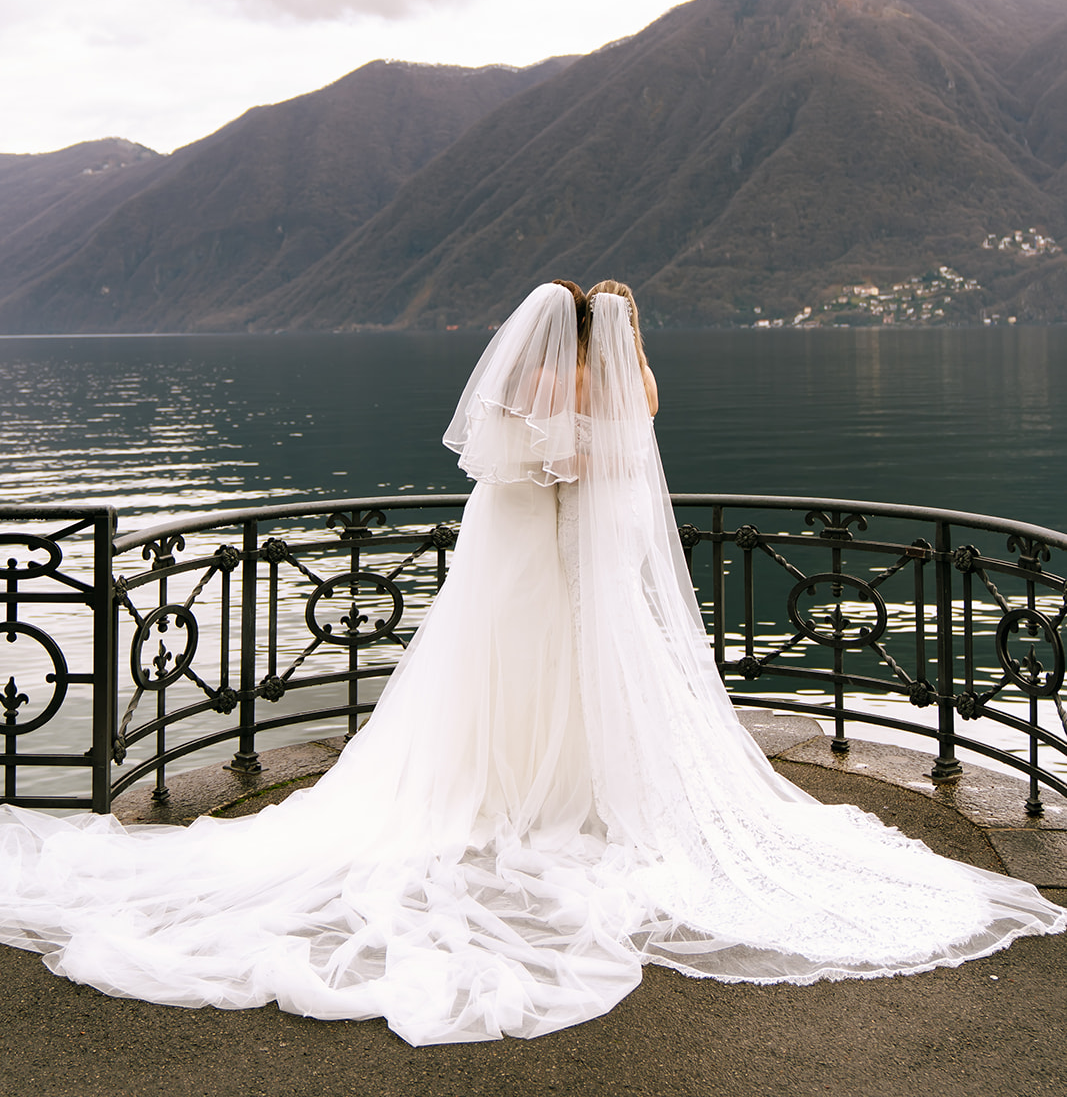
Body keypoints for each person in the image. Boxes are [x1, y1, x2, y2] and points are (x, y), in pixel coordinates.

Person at [0, 281, 1063, 1046]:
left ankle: (508, 793)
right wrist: (625, 336)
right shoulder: (624, 381)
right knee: (591, 685)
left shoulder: (536, 389)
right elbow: (626, 432)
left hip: (510, 572)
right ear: (615, 327)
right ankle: (583, 797)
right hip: (583, 576)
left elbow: (516, 459)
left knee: (491, 689)